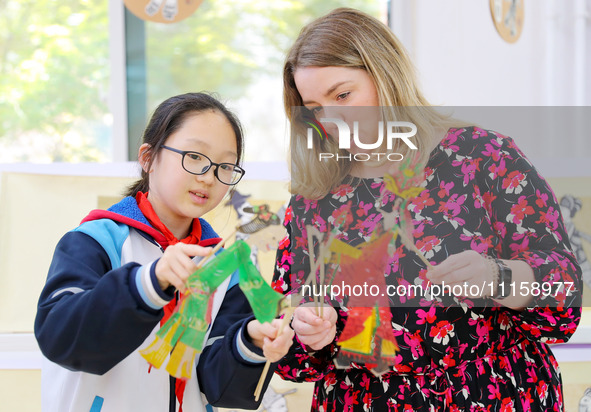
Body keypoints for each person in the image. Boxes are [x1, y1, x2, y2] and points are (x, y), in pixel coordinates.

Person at [272, 8, 582, 411]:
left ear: (386, 76)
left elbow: (562, 296)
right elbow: (288, 350)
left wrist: (498, 276)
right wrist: (309, 331)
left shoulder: (482, 156)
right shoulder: (313, 199)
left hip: (494, 396)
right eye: (314, 107)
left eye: (343, 95)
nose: (330, 120)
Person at [34, 92, 294, 412]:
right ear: (147, 157)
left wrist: (250, 341)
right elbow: (60, 340)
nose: (208, 176)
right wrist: (148, 283)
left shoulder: (223, 268)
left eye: (225, 165)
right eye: (194, 156)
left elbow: (219, 390)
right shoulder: (95, 241)